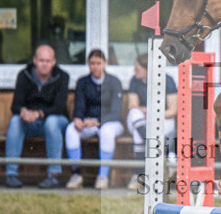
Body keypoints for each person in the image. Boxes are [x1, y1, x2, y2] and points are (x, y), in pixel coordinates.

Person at [5, 44, 70, 189]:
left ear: (54, 62)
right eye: (41, 60)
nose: (45, 64)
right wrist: (23, 112)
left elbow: (59, 107)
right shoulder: (24, 75)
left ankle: (53, 176)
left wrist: (38, 113)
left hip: (56, 121)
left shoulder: (62, 76)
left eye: (48, 61)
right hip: (31, 122)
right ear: (35, 60)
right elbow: (15, 105)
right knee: (16, 120)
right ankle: (11, 175)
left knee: (52, 122)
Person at [64, 49, 124, 190]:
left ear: (105, 63)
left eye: (98, 63)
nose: (95, 66)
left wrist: (98, 121)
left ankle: (102, 177)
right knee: (71, 129)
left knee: (106, 132)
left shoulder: (114, 82)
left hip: (111, 122)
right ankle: (76, 175)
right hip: (88, 122)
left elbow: (116, 111)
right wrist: (78, 119)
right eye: (92, 63)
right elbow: (79, 105)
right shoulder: (83, 82)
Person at [126, 52, 178, 190]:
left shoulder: (168, 80)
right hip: (142, 122)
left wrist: (150, 113)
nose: (134, 71)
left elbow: (172, 110)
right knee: (133, 114)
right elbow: (132, 106)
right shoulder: (135, 81)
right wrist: (150, 112)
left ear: (147, 68)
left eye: (137, 68)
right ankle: (154, 145)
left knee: (139, 135)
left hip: (161, 121)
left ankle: (138, 175)